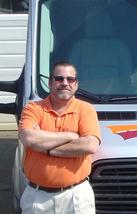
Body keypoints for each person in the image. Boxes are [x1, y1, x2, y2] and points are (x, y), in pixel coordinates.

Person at [18, 61, 101, 214]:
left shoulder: (86, 109)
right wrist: (71, 136)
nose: (64, 83)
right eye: (59, 78)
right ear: (50, 83)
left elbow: (90, 146)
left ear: (76, 84)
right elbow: (28, 138)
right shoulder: (33, 108)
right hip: (37, 197)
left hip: (77, 196)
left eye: (70, 79)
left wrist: (46, 149)